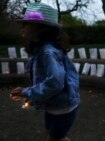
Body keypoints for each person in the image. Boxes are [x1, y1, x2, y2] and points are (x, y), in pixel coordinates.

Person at [9, 2, 80, 141]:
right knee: (49, 135)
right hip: (53, 105)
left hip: (62, 107)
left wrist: (27, 92)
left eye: (26, 24)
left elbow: (55, 83)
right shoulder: (41, 49)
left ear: (40, 28)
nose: (21, 27)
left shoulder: (47, 52)